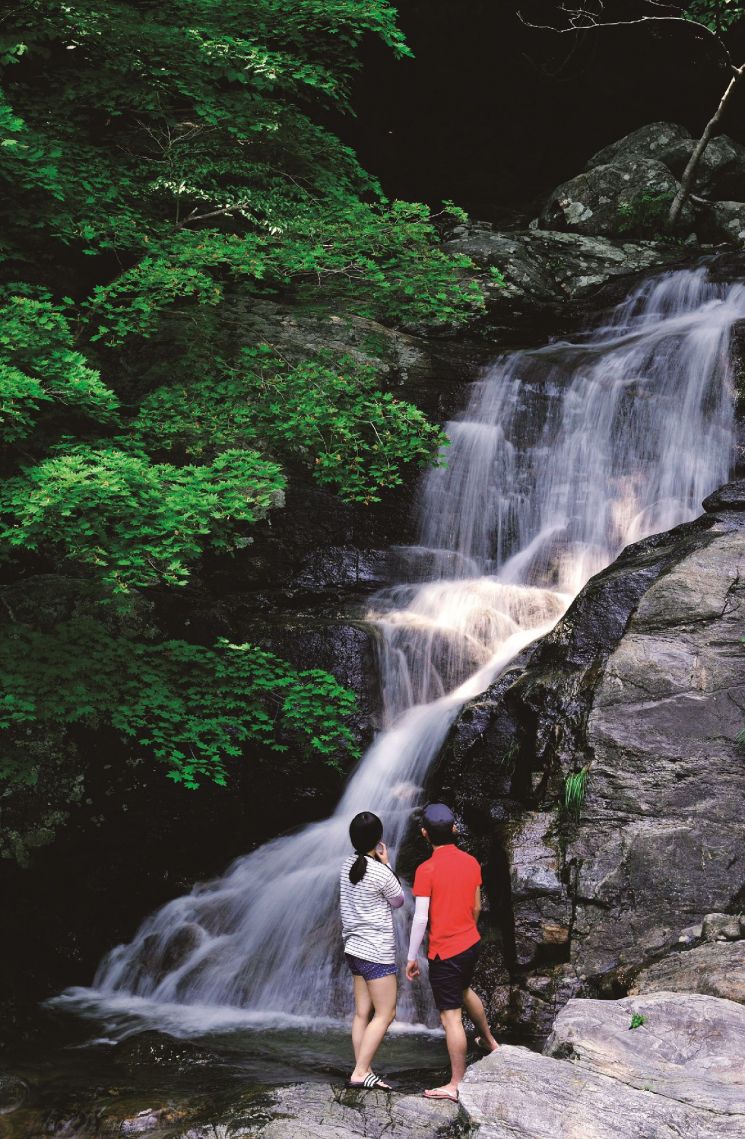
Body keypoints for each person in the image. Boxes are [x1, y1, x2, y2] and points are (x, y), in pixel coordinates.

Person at [405, 802, 499, 1103]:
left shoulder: (426, 869)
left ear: (424, 833)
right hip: (470, 943)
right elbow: (476, 907)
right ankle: (489, 1040)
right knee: (463, 990)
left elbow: (420, 918)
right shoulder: (471, 862)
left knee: (450, 1018)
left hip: (445, 952)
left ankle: (456, 1084)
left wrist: (410, 957)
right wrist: (467, 933)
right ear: (455, 830)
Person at [339, 810, 405, 1090]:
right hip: (376, 952)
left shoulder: (345, 865)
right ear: (378, 840)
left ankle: (361, 1068)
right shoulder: (381, 873)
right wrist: (387, 865)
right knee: (385, 1014)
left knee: (361, 1013)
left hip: (353, 948)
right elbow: (399, 901)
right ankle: (361, 1071)